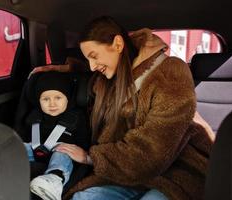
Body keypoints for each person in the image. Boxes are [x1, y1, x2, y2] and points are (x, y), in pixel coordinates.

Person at [34, 16, 213, 200]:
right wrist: (62, 70)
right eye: (88, 59)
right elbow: (87, 74)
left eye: (94, 56)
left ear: (118, 44)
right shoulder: (108, 78)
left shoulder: (171, 72)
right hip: (126, 174)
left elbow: (152, 153)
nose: (92, 66)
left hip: (175, 174)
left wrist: (91, 158)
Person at [23, 71, 90, 200]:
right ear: (39, 100)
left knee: (63, 153)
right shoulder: (34, 116)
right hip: (37, 150)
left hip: (63, 154)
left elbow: (84, 141)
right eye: (46, 99)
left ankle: (53, 180)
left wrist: (81, 152)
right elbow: (28, 137)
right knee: (20, 147)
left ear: (68, 98)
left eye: (58, 98)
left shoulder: (76, 117)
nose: (52, 103)